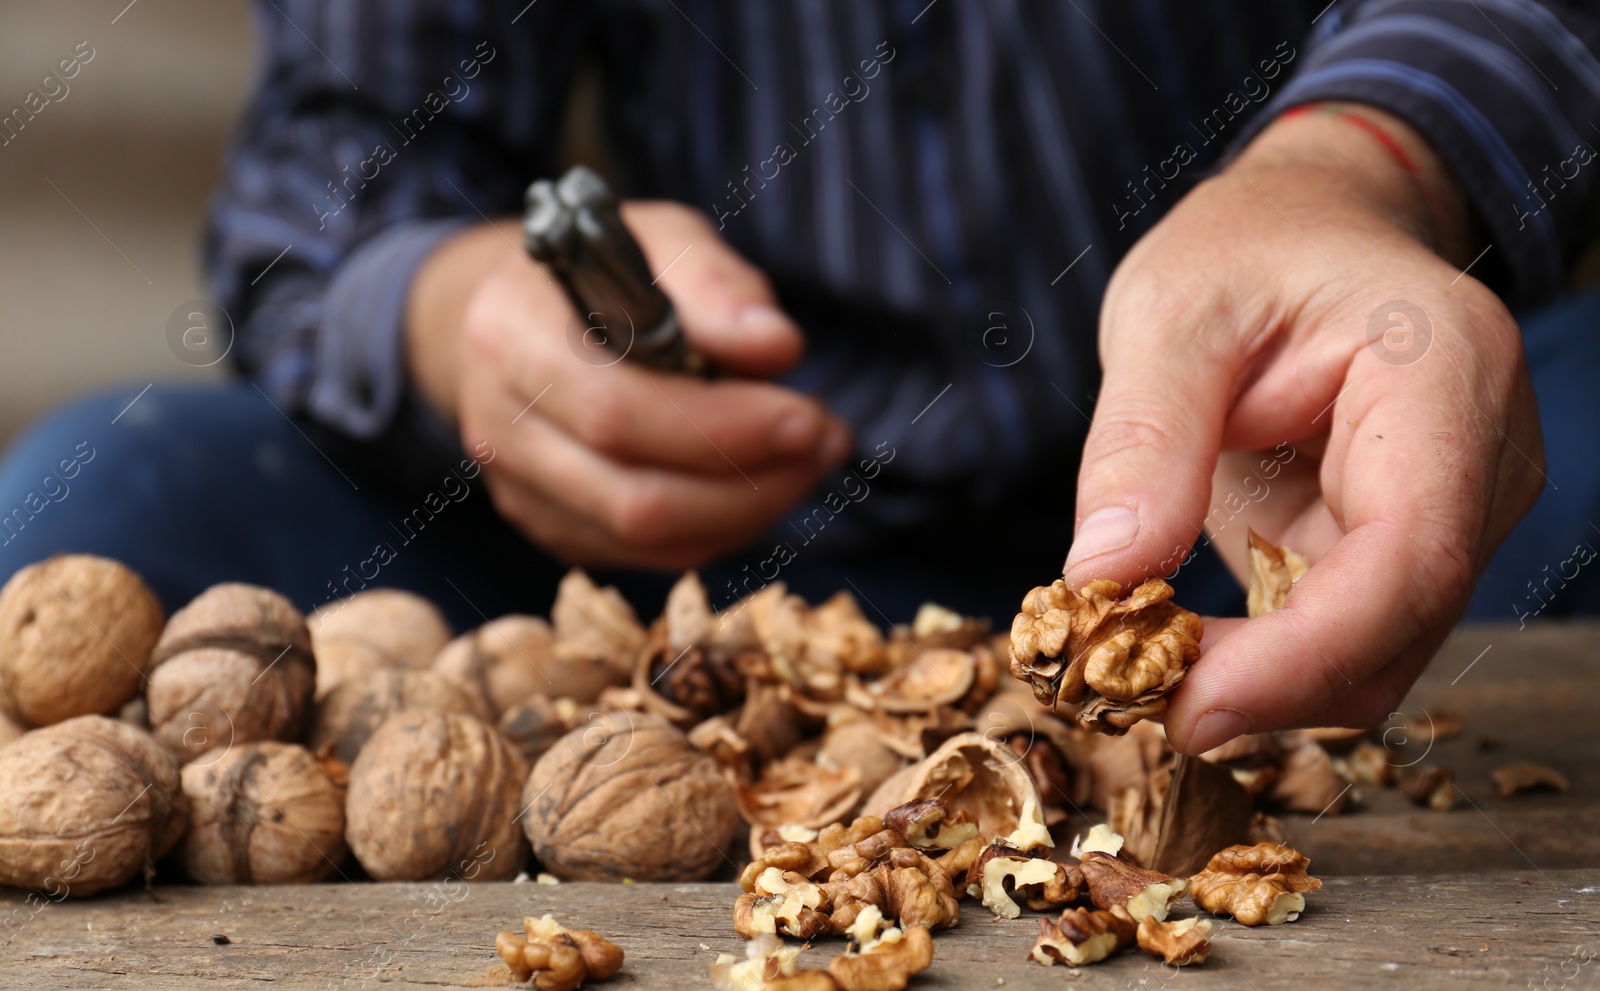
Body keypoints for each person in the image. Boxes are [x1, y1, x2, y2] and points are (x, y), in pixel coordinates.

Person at [2, 1, 1597, 757]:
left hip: (1256, 495)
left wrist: (1362, 168)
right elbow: (322, 173)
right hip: (679, 560)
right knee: (115, 489)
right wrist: (461, 313)